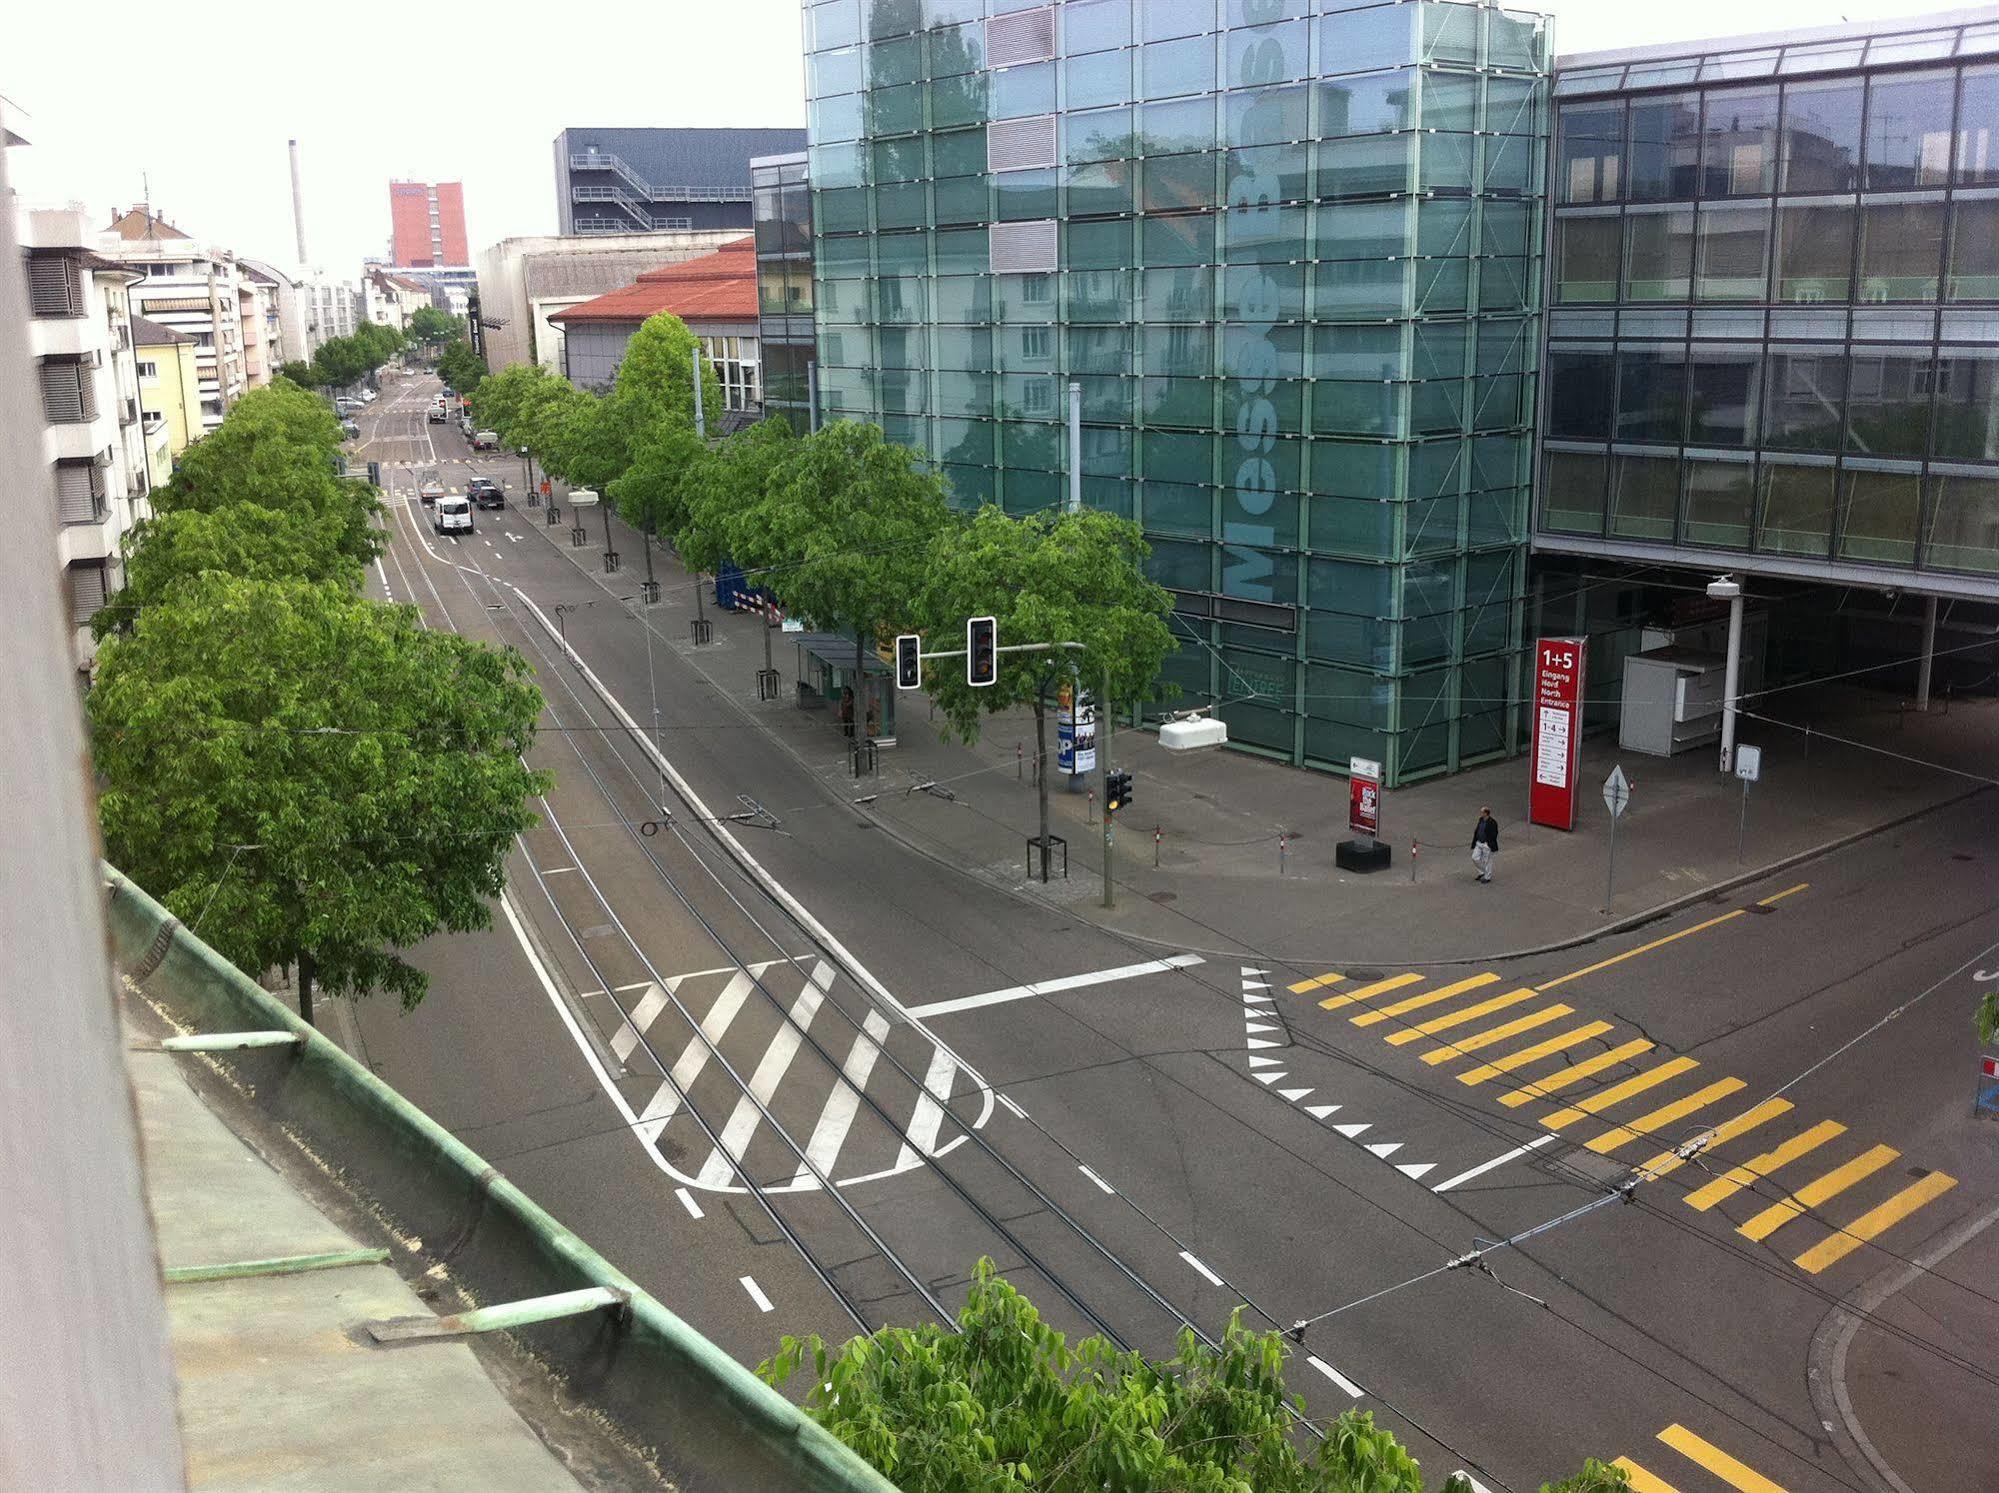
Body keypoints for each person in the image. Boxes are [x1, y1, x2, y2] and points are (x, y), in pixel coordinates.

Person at [1471, 807, 1499, 883]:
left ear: (1486, 813)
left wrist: (1488, 843)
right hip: (1479, 842)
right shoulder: (1481, 820)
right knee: (1474, 858)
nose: (1481, 814)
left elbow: (1495, 833)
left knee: (1487, 861)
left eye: (1482, 812)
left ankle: (1487, 877)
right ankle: (1482, 872)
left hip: (1487, 844)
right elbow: (1478, 830)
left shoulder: (1492, 822)